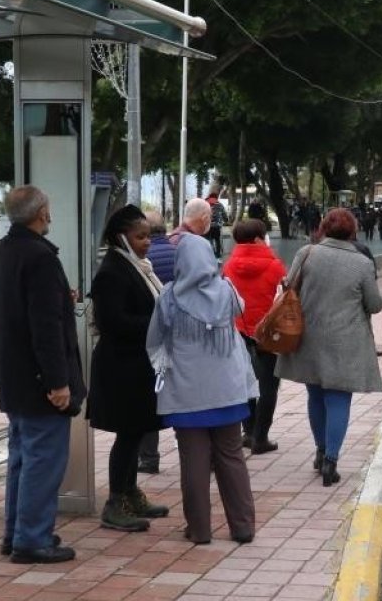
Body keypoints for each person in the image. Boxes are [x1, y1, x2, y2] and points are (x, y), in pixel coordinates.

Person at [0, 185, 84, 564]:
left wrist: (61, 298)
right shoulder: (40, 258)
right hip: (39, 380)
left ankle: (17, 532)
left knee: (21, 458)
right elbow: (44, 327)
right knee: (43, 461)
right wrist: (58, 382)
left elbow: (13, 311)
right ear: (42, 212)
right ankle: (32, 539)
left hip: (11, 375)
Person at [147, 233, 259, 545]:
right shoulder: (226, 290)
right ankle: (243, 526)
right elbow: (241, 309)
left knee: (193, 461)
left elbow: (155, 342)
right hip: (227, 390)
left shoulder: (169, 296)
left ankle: (200, 530)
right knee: (231, 456)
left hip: (186, 394)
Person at [276, 209, 382, 487]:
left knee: (315, 395)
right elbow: (374, 304)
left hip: (308, 338)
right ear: (353, 232)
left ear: (323, 228)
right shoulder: (361, 263)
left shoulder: (306, 254)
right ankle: (331, 462)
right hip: (345, 342)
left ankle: (320, 450)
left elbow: (289, 287)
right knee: (338, 399)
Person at [88, 205, 169, 532]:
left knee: (135, 433)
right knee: (127, 435)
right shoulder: (112, 272)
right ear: (121, 238)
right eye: (140, 236)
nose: (147, 242)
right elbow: (113, 322)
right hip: (122, 368)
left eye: (148, 235)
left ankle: (130, 492)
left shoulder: (139, 267)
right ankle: (115, 502)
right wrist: (159, 322)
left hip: (137, 366)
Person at [222, 220, 287, 455]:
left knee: (244, 381)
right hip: (268, 334)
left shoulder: (228, 266)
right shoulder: (275, 266)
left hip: (238, 331)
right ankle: (261, 437)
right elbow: (284, 297)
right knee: (269, 384)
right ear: (260, 239)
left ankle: (248, 432)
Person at [138, 210, 175, 474]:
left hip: (150, 338)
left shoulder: (142, 260)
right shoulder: (178, 253)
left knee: (150, 395)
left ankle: (149, 457)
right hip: (179, 336)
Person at [205, 193, 228, 258]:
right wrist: (226, 220)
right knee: (217, 240)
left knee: (209, 240)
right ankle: (218, 254)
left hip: (208, 226)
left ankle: (210, 253)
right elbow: (224, 215)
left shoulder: (205, 204)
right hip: (216, 226)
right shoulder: (220, 205)